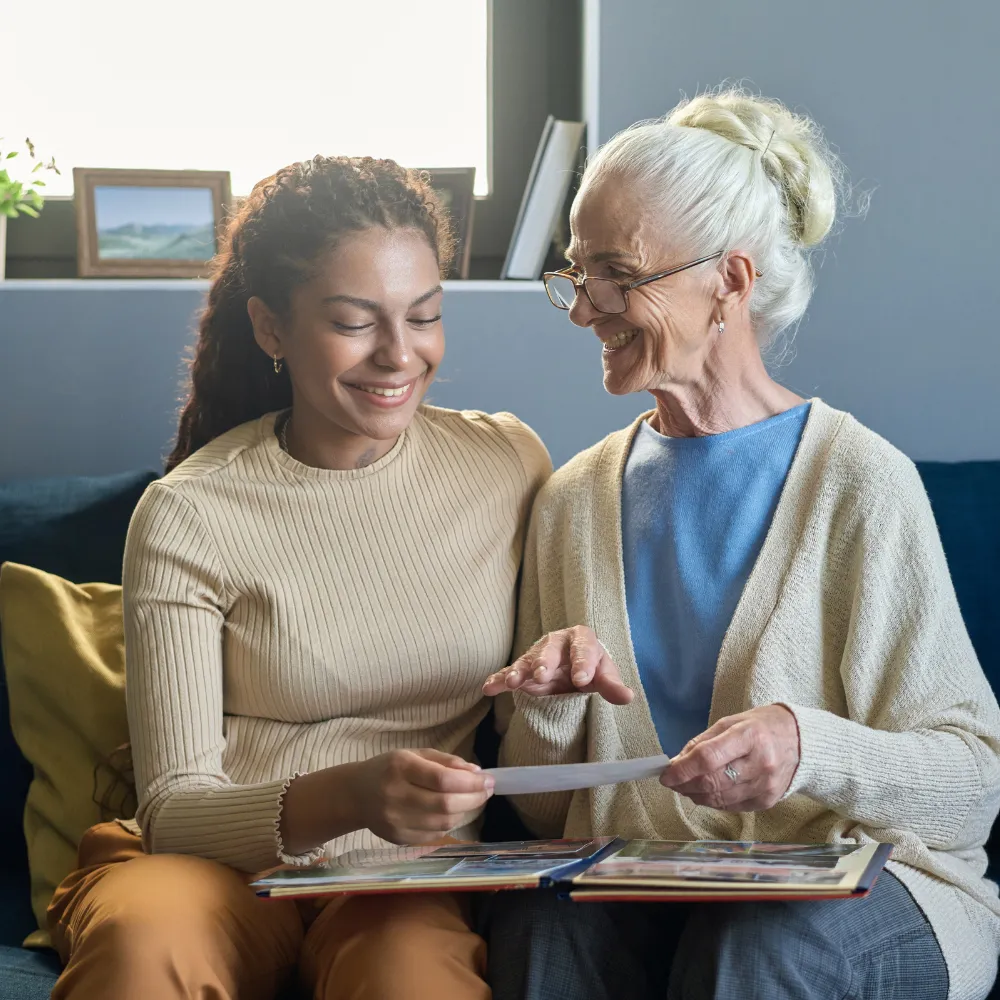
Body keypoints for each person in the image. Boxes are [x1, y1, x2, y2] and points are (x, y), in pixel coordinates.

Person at [482, 88, 1000, 1000]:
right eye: (576, 272)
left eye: (618, 275)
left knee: (760, 947)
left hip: (863, 892)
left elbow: (972, 783)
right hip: (645, 887)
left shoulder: (859, 482)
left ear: (731, 278)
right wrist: (555, 706)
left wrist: (810, 748)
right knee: (539, 930)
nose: (582, 309)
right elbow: (540, 811)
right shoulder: (570, 500)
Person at [47, 155, 550, 1000]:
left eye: (424, 316)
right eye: (356, 322)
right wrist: (355, 792)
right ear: (271, 328)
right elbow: (174, 811)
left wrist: (563, 670)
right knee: (147, 950)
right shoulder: (190, 513)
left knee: (410, 981)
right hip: (207, 864)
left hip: (407, 881)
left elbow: (543, 716)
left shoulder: (508, 465)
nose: (400, 355)